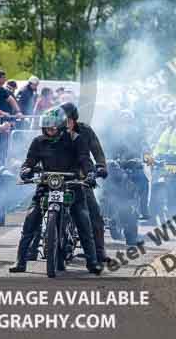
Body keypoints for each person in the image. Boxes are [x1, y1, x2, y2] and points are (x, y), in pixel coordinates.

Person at [9, 108, 102, 275]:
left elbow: (84, 159)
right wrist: (25, 170)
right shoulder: (38, 142)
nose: (49, 132)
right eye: (46, 128)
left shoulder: (76, 140)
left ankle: (92, 261)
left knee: (83, 219)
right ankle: (21, 260)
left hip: (72, 184)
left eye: (52, 128)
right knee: (31, 218)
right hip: (46, 184)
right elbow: (29, 161)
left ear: (60, 126)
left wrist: (90, 174)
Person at [60, 102, 111, 259]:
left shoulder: (85, 131)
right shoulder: (54, 130)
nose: (65, 122)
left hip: (80, 178)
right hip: (56, 177)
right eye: (62, 119)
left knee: (94, 213)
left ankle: (99, 252)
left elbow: (97, 150)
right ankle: (31, 248)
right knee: (37, 207)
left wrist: (101, 166)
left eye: (68, 119)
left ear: (74, 119)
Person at [102, 109, 151, 219]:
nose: (126, 123)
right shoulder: (112, 134)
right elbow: (105, 147)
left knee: (144, 181)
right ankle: (103, 210)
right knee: (105, 183)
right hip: (115, 166)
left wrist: (149, 159)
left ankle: (144, 209)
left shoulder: (137, 133)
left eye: (128, 121)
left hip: (134, 165)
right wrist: (104, 158)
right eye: (123, 120)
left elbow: (145, 146)